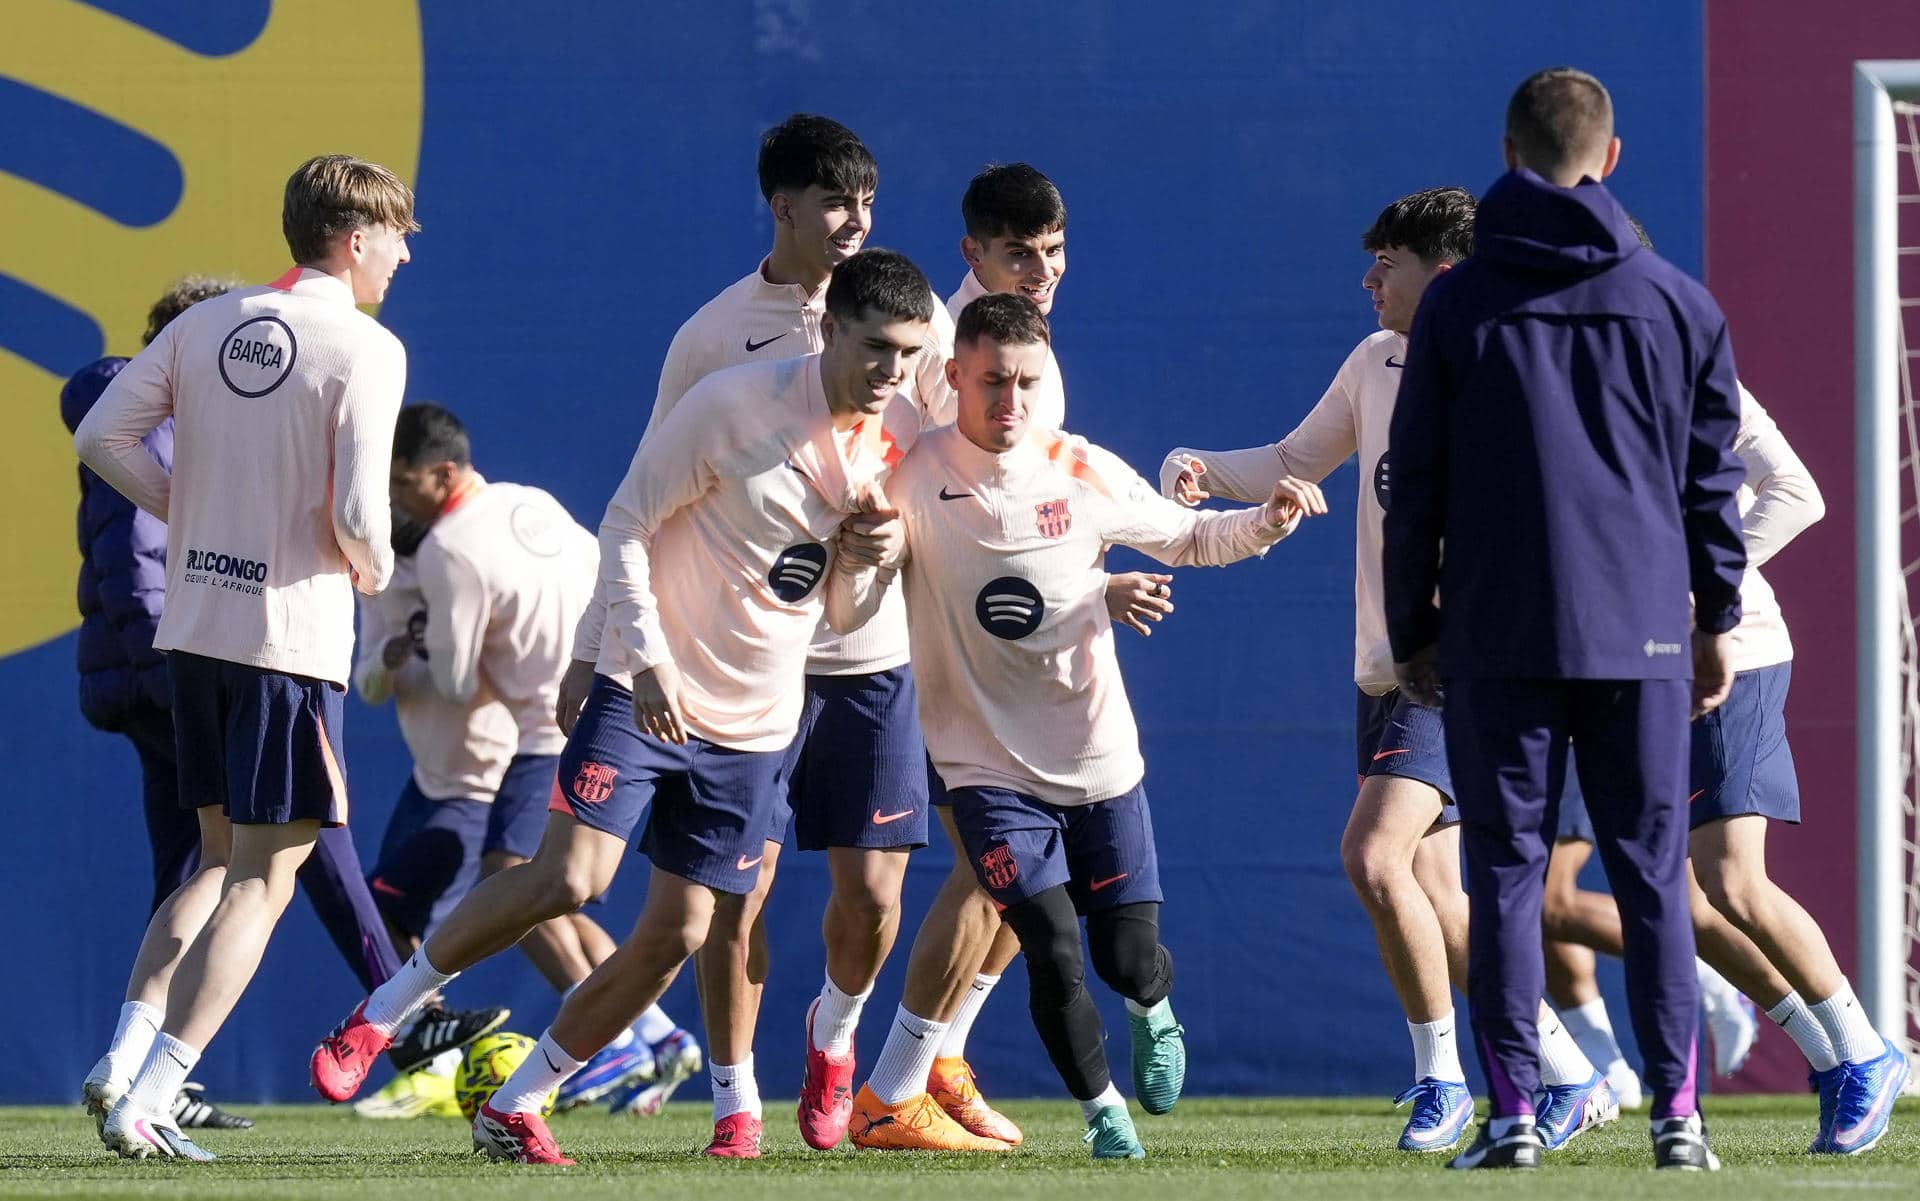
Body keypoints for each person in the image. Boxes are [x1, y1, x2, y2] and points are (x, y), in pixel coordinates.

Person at [312, 248, 929, 1166]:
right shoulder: (729, 403)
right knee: (568, 878)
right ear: (831, 326)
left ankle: (517, 1104)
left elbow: (835, 610)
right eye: (877, 347)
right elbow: (627, 522)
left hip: (756, 723)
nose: (892, 371)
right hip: (644, 689)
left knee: (678, 932)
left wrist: (871, 558)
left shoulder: (891, 440)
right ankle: (380, 1013)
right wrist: (637, 658)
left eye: (909, 354)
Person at [1158, 188, 1614, 1155]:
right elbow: (1292, 458)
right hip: (1384, 668)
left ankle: (1442, 1080)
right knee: (1439, 900)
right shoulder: (1375, 361)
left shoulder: (1506, 370)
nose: (1368, 280)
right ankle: (1568, 1071)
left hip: (1457, 669)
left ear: (1442, 273)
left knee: (1371, 856)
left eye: (1386, 263)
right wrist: (1199, 466)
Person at [1382, 68, 1746, 1171]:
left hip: (1497, 630)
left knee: (1502, 875)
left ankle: (1512, 1118)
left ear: (1508, 153)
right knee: (1651, 872)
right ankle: (1679, 1119)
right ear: (1612, 157)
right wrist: (1716, 616)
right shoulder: (1678, 302)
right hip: (1642, 632)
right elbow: (1712, 483)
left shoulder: (1457, 304)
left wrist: (1412, 627)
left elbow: (1416, 480)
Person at [881, 291, 1325, 1158]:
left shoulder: (1077, 466)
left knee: (1125, 959)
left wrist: (1266, 522)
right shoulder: (913, 474)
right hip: (984, 769)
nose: (1009, 400)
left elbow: (1191, 537)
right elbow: (855, 558)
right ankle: (1103, 1115)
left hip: (1097, 761)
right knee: (1049, 944)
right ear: (955, 376)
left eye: (1025, 381)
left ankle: (1152, 1006)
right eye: (992, 381)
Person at [73, 154, 418, 1162]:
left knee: (218, 856)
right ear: (354, 238)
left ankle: (124, 1060)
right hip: (285, 639)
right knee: (267, 876)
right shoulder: (366, 345)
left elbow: (100, 435)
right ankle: (153, 1095)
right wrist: (374, 566)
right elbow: (360, 515)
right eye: (397, 236)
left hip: (196, 635)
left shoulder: (202, 324)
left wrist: (187, 513)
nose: (403, 256)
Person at [853, 162, 1177, 1149]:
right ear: (975, 254)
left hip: (1022, 655)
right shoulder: (941, 349)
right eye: (1019, 254)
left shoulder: (1026, 345)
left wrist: (1090, 588)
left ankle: (931, 1062)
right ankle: (892, 1083)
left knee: (1016, 890)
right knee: (990, 878)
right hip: (947, 653)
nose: (1042, 271)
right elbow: (925, 500)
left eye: (1054, 251)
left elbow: (1031, 513)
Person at [379, 404, 700, 1113]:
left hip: (553, 723)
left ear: (442, 474)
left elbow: (456, 684)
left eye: (402, 483)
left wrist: (425, 649)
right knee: (559, 890)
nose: (396, 500)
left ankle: (608, 1040)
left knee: (516, 878)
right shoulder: (531, 501)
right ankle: (656, 1032)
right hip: (621, 698)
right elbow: (606, 572)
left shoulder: (447, 547)